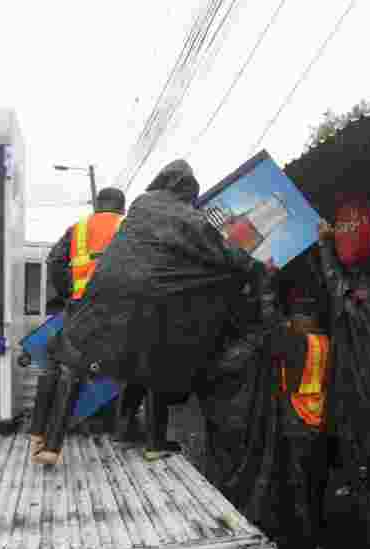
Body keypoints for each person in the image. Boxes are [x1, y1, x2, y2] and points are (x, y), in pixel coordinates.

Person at [30, 160, 269, 465]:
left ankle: (50, 443)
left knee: (70, 365)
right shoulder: (188, 217)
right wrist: (254, 267)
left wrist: (68, 294)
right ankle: (154, 443)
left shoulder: (138, 208)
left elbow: (56, 261)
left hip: (96, 297)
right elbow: (219, 252)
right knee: (154, 365)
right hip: (150, 303)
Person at [315, 212, 370, 549]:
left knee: (362, 479)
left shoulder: (356, 313)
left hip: (357, 406)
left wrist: (324, 246)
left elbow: (335, 281)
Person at [29, 187, 126, 457]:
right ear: (122, 207)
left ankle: (39, 434)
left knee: (55, 363)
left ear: (97, 206)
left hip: (79, 305)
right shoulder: (127, 226)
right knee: (77, 371)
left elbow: (55, 261)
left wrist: (68, 292)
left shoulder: (78, 228)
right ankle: (51, 446)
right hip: (113, 308)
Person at [271, 293, 332, 549]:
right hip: (318, 421)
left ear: (301, 319)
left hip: (296, 424)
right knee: (315, 487)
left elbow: (272, 335)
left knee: (298, 493)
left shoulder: (294, 342)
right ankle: (316, 544)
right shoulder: (325, 342)